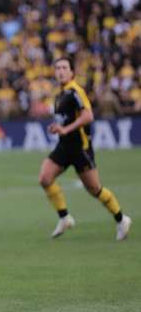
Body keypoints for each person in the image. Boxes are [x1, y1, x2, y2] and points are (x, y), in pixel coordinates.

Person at [38, 57, 131, 240]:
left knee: (95, 188)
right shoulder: (60, 95)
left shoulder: (75, 92)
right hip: (64, 147)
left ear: (72, 72)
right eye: (57, 68)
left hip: (81, 148)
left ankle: (121, 219)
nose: (60, 71)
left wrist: (65, 129)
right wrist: (57, 127)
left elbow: (88, 116)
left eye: (64, 67)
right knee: (45, 178)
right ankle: (64, 217)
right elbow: (66, 120)